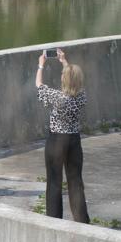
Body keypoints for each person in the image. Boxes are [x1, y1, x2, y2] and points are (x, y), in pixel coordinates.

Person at [36, 49, 90, 223]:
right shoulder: (82, 96)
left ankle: (54, 220)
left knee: (54, 181)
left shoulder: (58, 98)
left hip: (57, 141)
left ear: (64, 79)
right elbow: (73, 79)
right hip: (74, 140)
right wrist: (65, 62)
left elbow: (39, 86)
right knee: (75, 181)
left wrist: (40, 65)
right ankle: (81, 219)